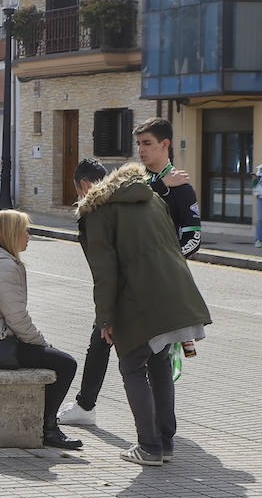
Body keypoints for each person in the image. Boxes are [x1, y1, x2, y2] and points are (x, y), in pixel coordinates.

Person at [58, 119, 200, 428]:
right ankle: (153, 432)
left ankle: (155, 436)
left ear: (165, 144)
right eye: (138, 144)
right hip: (126, 283)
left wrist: (161, 264)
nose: (140, 150)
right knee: (125, 349)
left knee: (151, 361)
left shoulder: (181, 188)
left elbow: (193, 239)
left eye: (147, 143)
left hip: (159, 286)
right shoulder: (143, 183)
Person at [70, 158, 211, 466]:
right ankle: (165, 443)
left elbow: (104, 272)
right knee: (159, 362)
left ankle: (149, 446)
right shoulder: (151, 198)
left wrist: (105, 318)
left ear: (85, 187)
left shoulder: (97, 211)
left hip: (140, 300)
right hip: (176, 293)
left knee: (132, 367)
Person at [0, 210, 82, 449]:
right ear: (12, 233)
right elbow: (17, 318)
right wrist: (41, 342)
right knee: (66, 363)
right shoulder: (4, 266)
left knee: (51, 356)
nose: (29, 235)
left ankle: (43, 422)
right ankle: (48, 428)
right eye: (25, 230)